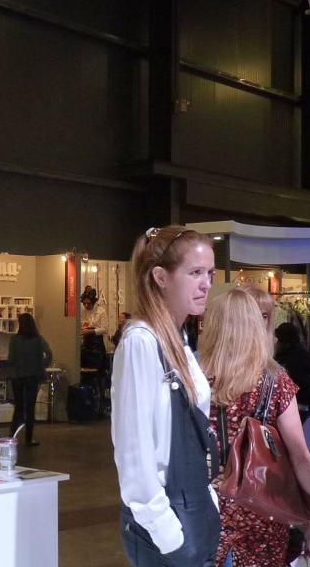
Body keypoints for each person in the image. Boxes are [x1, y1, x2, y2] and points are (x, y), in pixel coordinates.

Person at [112, 226, 220, 567]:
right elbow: (134, 450)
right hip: (168, 526)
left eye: (210, 273)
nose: (206, 284)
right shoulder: (141, 342)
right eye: (195, 273)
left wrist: (209, 501)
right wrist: (169, 535)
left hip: (194, 510)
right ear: (161, 277)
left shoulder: (178, 338)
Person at [201, 288, 310, 567]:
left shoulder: (191, 378)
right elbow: (300, 456)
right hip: (262, 508)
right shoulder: (275, 381)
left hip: (204, 511)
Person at [8, 312, 53, 447]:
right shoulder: (38, 339)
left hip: (17, 376)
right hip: (33, 376)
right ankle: (29, 438)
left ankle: (12, 434)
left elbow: (11, 358)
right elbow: (49, 353)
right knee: (30, 407)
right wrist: (42, 365)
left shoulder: (14, 340)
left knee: (19, 406)